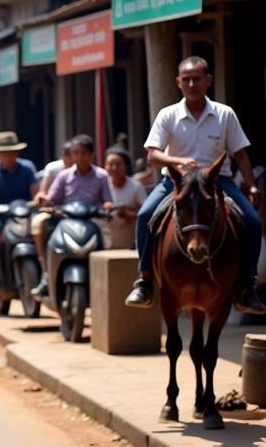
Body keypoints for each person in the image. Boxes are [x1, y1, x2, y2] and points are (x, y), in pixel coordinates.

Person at [125, 56, 266, 314]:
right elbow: (153, 155)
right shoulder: (167, 115)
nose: (192, 84)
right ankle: (144, 280)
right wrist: (177, 161)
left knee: (253, 222)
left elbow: (241, 154)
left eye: (197, 79)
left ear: (208, 80)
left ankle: (247, 286)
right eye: (186, 79)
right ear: (178, 82)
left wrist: (251, 184)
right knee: (145, 215)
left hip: (218, 181)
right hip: (176, 181)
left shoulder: (225, 114)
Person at [31, 135, 113, 297]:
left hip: (92, 221)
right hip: (65, 220)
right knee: (42, 227)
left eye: (83, 153)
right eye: (75, 153)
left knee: (105, 244)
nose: (79, 157)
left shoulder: (101, 176)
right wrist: (45, 201)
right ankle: (46, 273)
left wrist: (108, 206)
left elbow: (107, 201)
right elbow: (52, 198)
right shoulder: (64, 175)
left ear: (91, 154)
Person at [0, 131, 39, 290]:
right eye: (4, 153)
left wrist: (38, 201)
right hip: (0, 216)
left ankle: (44, 271)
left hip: (24, 215)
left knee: (41, 231)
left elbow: (35, 192)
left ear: (17, 152)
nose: (8, 156)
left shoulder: (27, 168)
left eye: (11, 152)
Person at [29, 140, 75, 289]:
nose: (70, 159)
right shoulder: (55, 170)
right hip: (54, 211)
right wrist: (43, 199)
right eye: (66, 156)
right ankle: (45, 268)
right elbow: (44, 193)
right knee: (38, 224)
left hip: (77, 213)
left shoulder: (85, 171)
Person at [103, 146, 146, 250]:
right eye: (110, 164)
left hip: (129, 244)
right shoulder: (101, 185)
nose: (114, 168)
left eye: (118, 164)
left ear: (125, 166)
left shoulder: (136, 187)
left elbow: (145, 214)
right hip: (104, 243)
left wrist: (127, 214)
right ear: (105, 167)